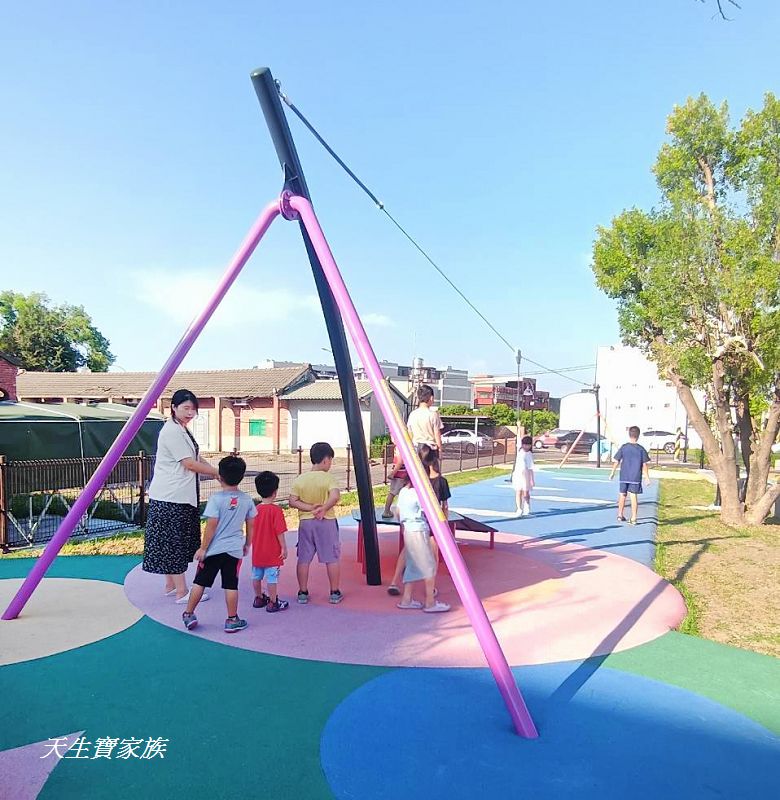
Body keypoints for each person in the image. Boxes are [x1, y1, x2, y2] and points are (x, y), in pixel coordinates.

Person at [143, 388, 219, 604]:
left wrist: (214, 471)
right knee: (174, 543)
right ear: (174, 408)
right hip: (171, 497)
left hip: (175, 496)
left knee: (170, 543)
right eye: (186, 408)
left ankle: (170, 585)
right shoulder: (172, 432)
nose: (190, 413)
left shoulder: (181, 429)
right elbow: (189, 463)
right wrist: (216, 472)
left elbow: (196, 457)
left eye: (193, 409)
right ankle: (181, 591)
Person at [181, 456, 256, 633]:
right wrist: (247, 544)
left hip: (213, 551)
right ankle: (232, 619)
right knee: (231, 584)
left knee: (200, 581)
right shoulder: (246, 500)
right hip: (234, 551)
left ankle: (188, 613)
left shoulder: (216, 499)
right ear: (241, 476)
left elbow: (211, 526)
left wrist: (203, 548)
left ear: (220, 477)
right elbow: (251, 524)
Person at [387, 449, 449, 596]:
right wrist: (444, 523)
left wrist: (402, 523)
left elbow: (400, 510)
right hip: (427, 523)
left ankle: (395, 582)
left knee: (408, 552)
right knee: (431, 556)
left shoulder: (413, 483)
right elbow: (444, 506)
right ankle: (430, 591)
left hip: (413, 524)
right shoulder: (436, 482)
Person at [289, 442, 343, 605]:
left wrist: (309, 508)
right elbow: (334, 496)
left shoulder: (301, 479)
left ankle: (303, 592)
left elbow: (292, 501)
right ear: (326, 460)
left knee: (303, 558)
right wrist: (323, 508)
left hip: (306, 522)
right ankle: (334, 592)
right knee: (331, 558)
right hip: (326, 521)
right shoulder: (329, 478)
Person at [395, 475, 450, 613]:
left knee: (412, 564)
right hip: (419, 530)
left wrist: (403, 526)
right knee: (429, 566)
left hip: (408, 529)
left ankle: (406, 599)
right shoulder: (418, 494)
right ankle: (430, 602)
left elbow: (398, 512)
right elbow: (430, 510)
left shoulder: (403, 492)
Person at [251, 471, 289, 613]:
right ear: (275, 492)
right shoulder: (276, 511)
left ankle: (258, 597)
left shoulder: (255, 510)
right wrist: (283, 548)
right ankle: (273, 601)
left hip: (258, 551)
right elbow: (279, 531)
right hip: (272, 552)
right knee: (272, 577)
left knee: (256, 575)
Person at [609, 426, 651, 525]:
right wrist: (647, 477)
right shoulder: (641, 449)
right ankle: (634, 518)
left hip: (624, 475)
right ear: (638, 436)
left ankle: (620, 514)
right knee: (633, 496)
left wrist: (612, 472)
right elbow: (644, 464)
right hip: (635, 476)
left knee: (622, 494)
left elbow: (616, 461)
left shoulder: (624, 447)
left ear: (629, 434)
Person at [407, 384, 443, 456]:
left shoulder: (412, 414)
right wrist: (440, 449)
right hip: (430, 448)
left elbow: (410, 433)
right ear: (431, 398)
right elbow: (437, 433)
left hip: (416, 447)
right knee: (433, 467)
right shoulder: (433, 414)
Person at [382, 445, 408, 519]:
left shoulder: (397, 447)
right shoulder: (400, 447)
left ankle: (401, 510)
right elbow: (400, 462)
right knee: (393, 493)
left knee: (398, 493)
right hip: (399, 475)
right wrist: (393, 473)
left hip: (400, 474)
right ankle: (386, 511)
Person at [512, 435, 535, 516]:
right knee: (518, 491)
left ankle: (527, 507)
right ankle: (519, 508)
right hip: (518, 474)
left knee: (526, 493)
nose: (526, 446)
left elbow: (531, 467)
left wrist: (532, 479)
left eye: (528, 445)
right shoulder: (519, 451)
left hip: (526, 475)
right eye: (525, 444)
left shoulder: (529, 454)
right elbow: (518, 439)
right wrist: (518, 427)